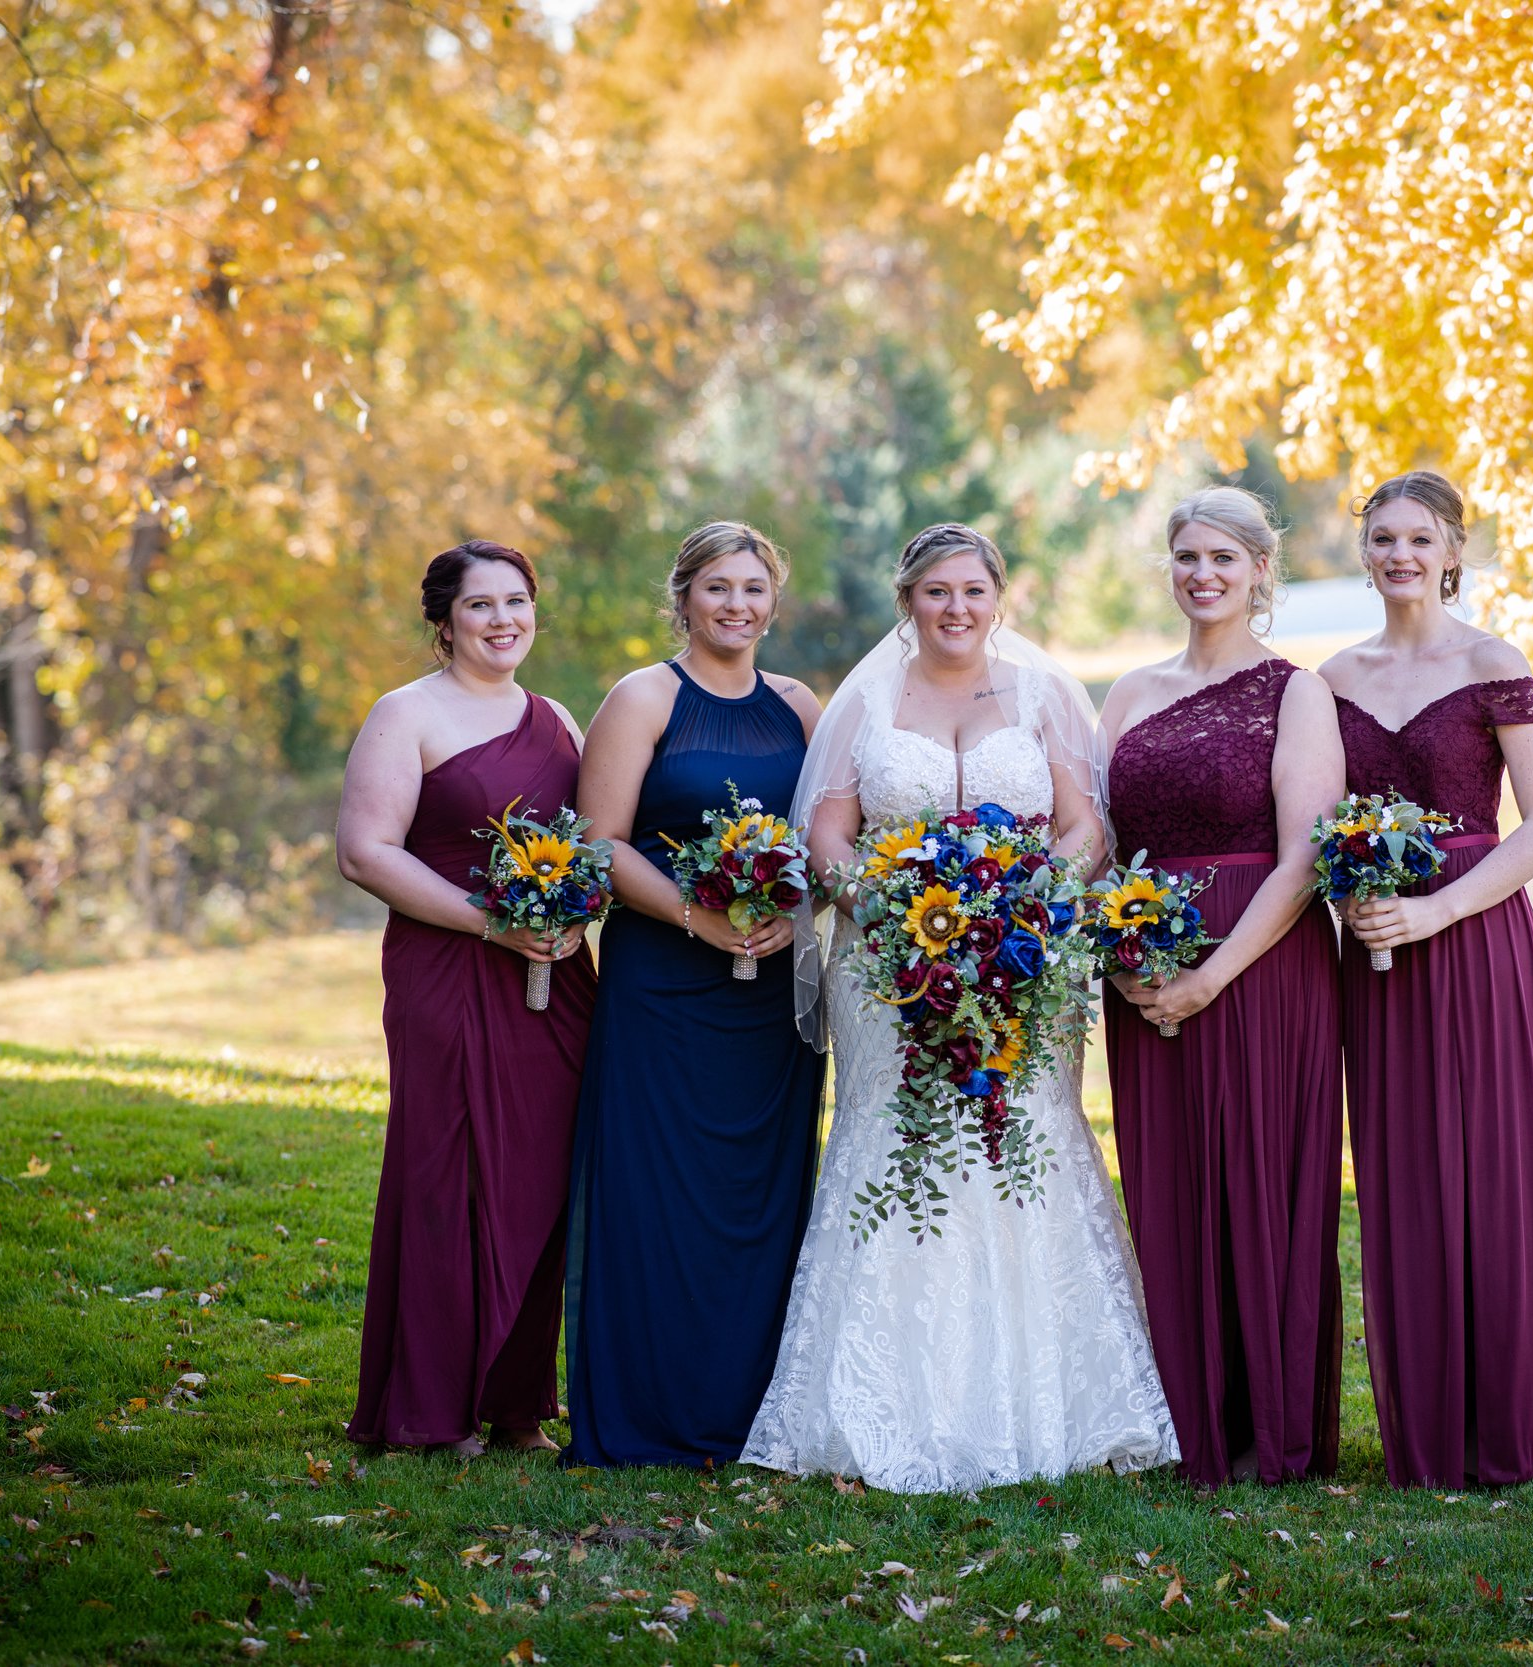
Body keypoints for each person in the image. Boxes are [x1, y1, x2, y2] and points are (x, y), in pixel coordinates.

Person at [741, 522, 1179, 1493]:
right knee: (892, 1147)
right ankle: (873, 1401)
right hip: (888, 967)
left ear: (997, 595)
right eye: (936, 592)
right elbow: (826, 836)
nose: (955, 609)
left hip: (1022, 961)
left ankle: (1048, 1402)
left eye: (972, 591)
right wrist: (888, 905)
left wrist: (1020, 902)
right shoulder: (868, 698)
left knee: (1020, 1141)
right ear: (909, 599)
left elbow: (1084, 824)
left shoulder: (1039, 691)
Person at [1324, 469, 1533, 1488]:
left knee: (1497, 1165)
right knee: (1404, 1171)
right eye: (1381, 538)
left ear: (1453, 552)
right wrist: (1351, 902)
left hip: (1479, 938)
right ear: (1362, 552)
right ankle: (1432, 1426)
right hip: (1375, 956)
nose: (1399, 555)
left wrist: (1438, 910)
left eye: (1419, 538)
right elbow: (1319, 825)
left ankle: (1518, 1414)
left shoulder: (1494, 663)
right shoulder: (1329, 679)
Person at [561, 522, 827, 1467]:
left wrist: (794, 919)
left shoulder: (799, 706)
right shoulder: (641, 697)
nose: (737, 605)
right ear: (682, 598)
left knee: (759, 1197)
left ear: (773, 600)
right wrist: (696, 918)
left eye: (754, 588)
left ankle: (751, 1410)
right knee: (656, 1192)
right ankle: (647, 1413)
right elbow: (599, 842)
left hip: (771, 1003)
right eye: (717, 587)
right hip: (664, 982)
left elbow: (829, 839)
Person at [1098, 487, 1349, 1487]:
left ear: (1259, 571)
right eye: (1187, 557)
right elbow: (1101, 841)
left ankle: (1269, 1432)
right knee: (1171, 1184)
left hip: (1262, 965)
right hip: (1142, 970)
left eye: (1223, 560)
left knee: (1263, 1184)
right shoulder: (1124, 691)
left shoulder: (1296, 691)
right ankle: (1184, 1423)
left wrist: (1211, 977)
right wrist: (1121, 950)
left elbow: (1301, 858)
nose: (1202, 576)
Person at [336, 539, 589, 1455]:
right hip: (449, 968)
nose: (503, 620)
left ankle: (517, 1406)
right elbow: (367, 851)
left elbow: (597, 839)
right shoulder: (405, 713)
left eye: (517, 600)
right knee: (448, 1174)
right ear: (443, 620)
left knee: (541, 1180)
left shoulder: (557, 716)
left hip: (555, 980)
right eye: (481, 605)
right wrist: (492, 922)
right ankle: (432, 1410)